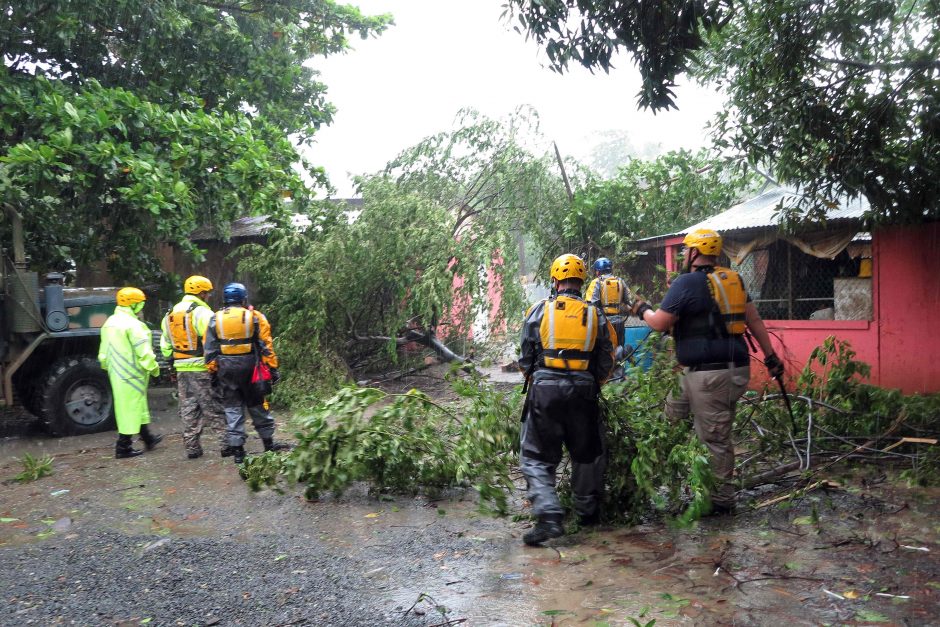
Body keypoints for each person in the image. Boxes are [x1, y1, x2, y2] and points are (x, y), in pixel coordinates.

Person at [631, 229, 784, 514]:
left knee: (714, 438)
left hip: (711, 376)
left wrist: (642, 310)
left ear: (692, 253)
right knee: (670, 419)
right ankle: (664, 478)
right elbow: (755, 321)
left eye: (686, 251)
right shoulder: (733, 280)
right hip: (713, 370)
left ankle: (722, 503)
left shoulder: (686, 283)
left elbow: (660, 323)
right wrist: (771, 357)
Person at [517, 254, 616, 545]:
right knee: (587, 453)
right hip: (584, 392)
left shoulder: (538, 311)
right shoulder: (595, 314)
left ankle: (549, 516)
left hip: (545, 391)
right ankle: (587, 514)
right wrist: (591, 382)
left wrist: (539, 379)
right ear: (582, 281)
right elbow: (607, 358)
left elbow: (525, 357)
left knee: (535, 456)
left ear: (554, 281)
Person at [202, 282, 289, 464]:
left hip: (226, 369)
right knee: (257, 405)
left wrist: (213, 371)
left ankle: (239, 451)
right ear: (243, 298)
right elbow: (266, 344)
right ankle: (268, 444)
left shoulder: (215, 318)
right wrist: (272, 368)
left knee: (233, 409)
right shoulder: (255, 317)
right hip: (251, 367)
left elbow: (209, 348)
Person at [160, 275, 228, 459]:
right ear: (202, 293)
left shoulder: (170, 314)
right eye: (208, 293)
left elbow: (165, 346)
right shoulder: (202, 313)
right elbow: (212, 341)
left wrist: (172, 363)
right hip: (202, 368)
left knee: (189, 409)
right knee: (213, 406)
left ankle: (192, 448)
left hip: (181, 368)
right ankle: (226, 445)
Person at [98, 287, 164, 459]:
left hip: (117, 372)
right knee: (129, 408)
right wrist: (154, 368)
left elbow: (103, 352)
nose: (142, 307)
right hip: (132, 373)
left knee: (136, 405)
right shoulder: (134, 325)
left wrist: (109, 367)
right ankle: (123, 447)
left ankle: (148, 438)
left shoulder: (110, 322)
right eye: (140, 304)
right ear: (134, 304)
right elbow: (144, 351)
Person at [584, 257, 635, 350]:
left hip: (604, 324)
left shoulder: (597, 282)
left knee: (605, 351)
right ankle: (620, 362)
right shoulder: (620, 281)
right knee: (619, 349)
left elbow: (590, 304)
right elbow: (630, 300)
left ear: (598, 271)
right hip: (619, 323)